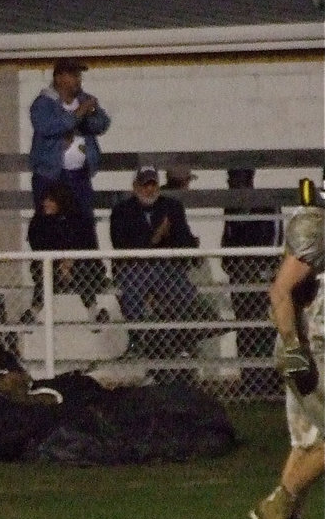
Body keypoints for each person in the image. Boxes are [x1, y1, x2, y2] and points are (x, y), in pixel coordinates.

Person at [249, 180, 324, 519]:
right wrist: (295, 352)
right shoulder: (316, 227)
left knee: (308, 444)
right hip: (310, 349)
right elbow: (280, 291)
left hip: (311, 346)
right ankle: (277, 504)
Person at [109, 166, 203, 357]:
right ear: (135, 187)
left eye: (153, 184)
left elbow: (184, 239)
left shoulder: (172, 207)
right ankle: (138, 340)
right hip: (135, 268)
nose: (150, 189)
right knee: (132, 290)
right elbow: (122, 245)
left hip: (167, 267)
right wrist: (155, 237)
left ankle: (180, 340)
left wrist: (183, 241)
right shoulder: (121, 211)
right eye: (145, 185)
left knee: (185, 292)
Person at [221, 167, 283, 394]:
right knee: (245, 327)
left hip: (262, 272)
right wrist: (230, 264)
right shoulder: (231, 206)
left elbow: (276, 236)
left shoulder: (267, 203)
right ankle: (250, 380)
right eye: (232, 181)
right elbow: (227, 237)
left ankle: (268, 380)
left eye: (239, 181)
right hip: (241, 272)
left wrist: (265, 267)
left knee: (264, 327)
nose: (234, 185)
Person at [28, 57, 111, 225]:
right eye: (73, 75)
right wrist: (78, 114)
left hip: (79, 175)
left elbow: (102, 125)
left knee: (83, 223)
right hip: (51, 175)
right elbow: (48, 127)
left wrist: (92, 113)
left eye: (78, 75)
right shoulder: (43, 103)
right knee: (51, 223)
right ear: (59, 78)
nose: (78, 79)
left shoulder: (84, 99)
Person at [25, 180, 103, 316]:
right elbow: (38, 246)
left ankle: (93, 311)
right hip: (50, 266)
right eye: (45, 200)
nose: (45, 203)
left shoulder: (79, 219)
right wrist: (60, 263)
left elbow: (87, 244)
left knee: (83, 269)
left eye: (51, 200)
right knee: (46, 271)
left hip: (79, 266)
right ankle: (34, 312)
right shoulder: (38, 221)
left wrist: (70, 262)